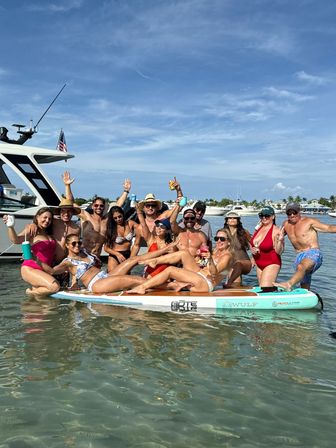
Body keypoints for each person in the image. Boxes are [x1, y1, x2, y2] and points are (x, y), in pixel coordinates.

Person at [127, 228, 233, 294]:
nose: (219, 241)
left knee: (171, 270)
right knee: (184, 253)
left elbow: (214, 273)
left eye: (222, 239)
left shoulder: (227, 256)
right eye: (217, 238)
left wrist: (209, 259)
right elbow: (204, 265)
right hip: (200, 275)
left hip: (206, 283)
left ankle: (142, 287)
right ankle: (155, 261)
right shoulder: (215, 251)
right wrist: (197, 260)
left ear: (229, 242)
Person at [63, 171, 130, 256]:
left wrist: (126, 191)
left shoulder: (106, 219)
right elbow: (71, 203)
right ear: (92, 206)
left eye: (101, 206)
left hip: (97, 257)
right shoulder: (87, 216)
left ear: (104, 207)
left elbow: (118, 205)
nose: (99, 207)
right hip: (84, 255)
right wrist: (67, 186)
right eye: (96, 205)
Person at [50, 235, 145, 293]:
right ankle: (157, 284)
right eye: (74, 243)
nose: (77, 245)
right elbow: (53, 271)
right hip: (97, 284)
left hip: (105, 276)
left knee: (132, 260)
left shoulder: (84, 252)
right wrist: (38, 265)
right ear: (67, 245)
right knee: (133, 279)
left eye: (79, 242)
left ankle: (159, 255)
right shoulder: (67, 262)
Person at [274, 202, 336, 291]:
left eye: (294, 212)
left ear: (299, 212)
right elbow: (276, 236)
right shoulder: (286, 224)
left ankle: (289, 284)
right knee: (304, 283)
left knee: (301, 267)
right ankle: (305, 298)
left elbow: (328, 228)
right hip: (299, 256)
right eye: (289, 213)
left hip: (313, 253)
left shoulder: (309, 222)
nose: (292, 215)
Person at [3, 207, 60, 296]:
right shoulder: (32, 231)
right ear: (37, 217)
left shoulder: (49, 233)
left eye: (49, 219)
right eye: (44, 217)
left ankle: (33, 304)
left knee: (43, 305)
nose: (47, 220)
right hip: (30, 268)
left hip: (44, 269)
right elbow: (16, 240)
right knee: (54, 287)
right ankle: (30, 292)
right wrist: (10, 227)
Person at [250, 206, 283, 287]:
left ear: (273, 216)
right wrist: (253, 254)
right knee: (262, 289)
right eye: (261, 216)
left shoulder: (276, 231)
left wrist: (280, 241)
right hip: (259, 263)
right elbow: (252, 243)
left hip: (271, 263)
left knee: (265, 289)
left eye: (267, 216)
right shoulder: (258, 228)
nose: (264, 218)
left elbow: (279, 252)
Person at [104, 205, 141, 271]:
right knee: (113, 277)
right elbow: (106, 248)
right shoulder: (111, 228)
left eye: (120, 216)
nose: (118, 219)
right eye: (115, 218)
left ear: (123, 214)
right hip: (114, 255)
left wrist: (139, 210)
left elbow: (142, 228)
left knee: (126, 278)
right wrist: (118, 254)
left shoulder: (130, 224)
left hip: (128, 254)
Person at [223, 211, 252, 287]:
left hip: (244, 262)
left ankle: (229, 284)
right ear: (226, 221)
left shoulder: (244, 232)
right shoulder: (223, 233)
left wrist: (254, 260)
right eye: (230, 218)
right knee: (233, 279)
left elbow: (254, 245)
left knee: (237, 265)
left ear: (238, 220)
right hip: (230, 263)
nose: (232, 219)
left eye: (235, 218)